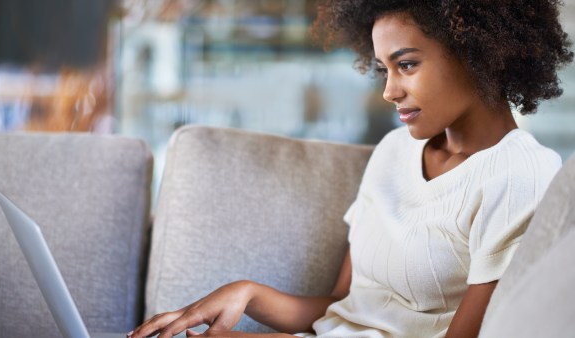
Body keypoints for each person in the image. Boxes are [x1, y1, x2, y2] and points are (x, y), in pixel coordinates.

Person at [129, 0, 573, 337]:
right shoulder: (394, 150)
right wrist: (248, 294)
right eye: (383, 69)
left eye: (407, 65)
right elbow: (343, 306)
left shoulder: (520, 175)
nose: (389, 91)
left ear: (479, 53)